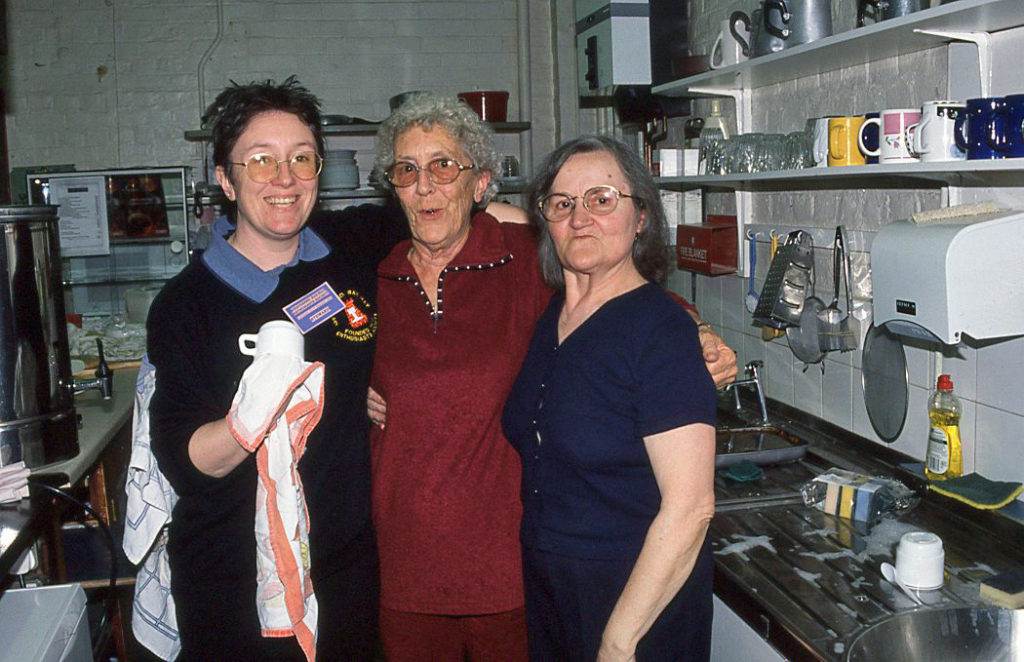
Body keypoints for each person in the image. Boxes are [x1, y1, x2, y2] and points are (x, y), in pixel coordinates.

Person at [367, 96, 733, 660]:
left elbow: (627, 298)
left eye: (444, 166)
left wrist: (695, 328)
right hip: (443, 572)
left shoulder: (521, 264)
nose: (425, 186)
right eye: (406, 170)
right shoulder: (371, 270)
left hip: (527, 578)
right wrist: (357, 390)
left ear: (480, 183)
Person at [146, 76, 407, 660]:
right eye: (261, 160)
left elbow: (449, 214)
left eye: (301, 158)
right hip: (232, 581)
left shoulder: (349, 249)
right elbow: (186, 462)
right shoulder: (186, 304)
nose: (284, 179)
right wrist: (253, 415)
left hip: (345, 570)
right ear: (225, 179)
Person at [502, 135, 718, 661]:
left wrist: (619, 643)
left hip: (636, 599)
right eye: (562, 203)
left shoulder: (661, 331)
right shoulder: (552, 320)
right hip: (552, 587)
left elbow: (691, 508)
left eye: (601, 199)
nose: (580, 218)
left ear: (640, 216)